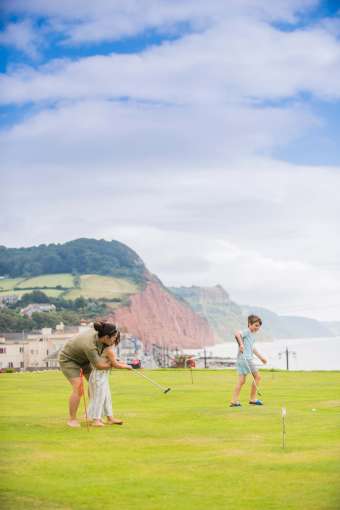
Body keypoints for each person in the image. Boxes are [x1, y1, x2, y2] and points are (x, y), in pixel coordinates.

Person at [59, 321, 130, 427]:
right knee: (78, 388)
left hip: (86, 359)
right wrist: (115, 364)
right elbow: (99, 366)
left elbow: (102, 357)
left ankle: (98, 415)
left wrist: (114, 362)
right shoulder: (89, 345)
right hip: (69, 360)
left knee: (98, 386)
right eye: (114, 337)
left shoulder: (102, 336)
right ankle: (72, 419)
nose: (115, 339)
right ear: (106, 337)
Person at [88, 330, 131, 427]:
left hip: (102, 375)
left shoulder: (107, 348)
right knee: (99, 397)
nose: (115, 340)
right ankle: (96, 419)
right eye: (114, 338)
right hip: (98, 376)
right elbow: (115, 364)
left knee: (107, 397)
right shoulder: (109, 349)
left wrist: (123, 364)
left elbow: (113, 361)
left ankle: (110, 418)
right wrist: (126, 367)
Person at [230, 315, 267, 407]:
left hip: (241, 359)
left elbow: (252, 348)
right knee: (257, 377)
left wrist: (261, 357)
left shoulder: (252, 335)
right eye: (256, 325)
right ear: (249, 324)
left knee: (241, 381)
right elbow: (237, 334)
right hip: (246, 359)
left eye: (258, 326)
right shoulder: (247, 332)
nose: (257, 327)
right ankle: (253, 399)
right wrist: (241, 344)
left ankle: (234, 401)